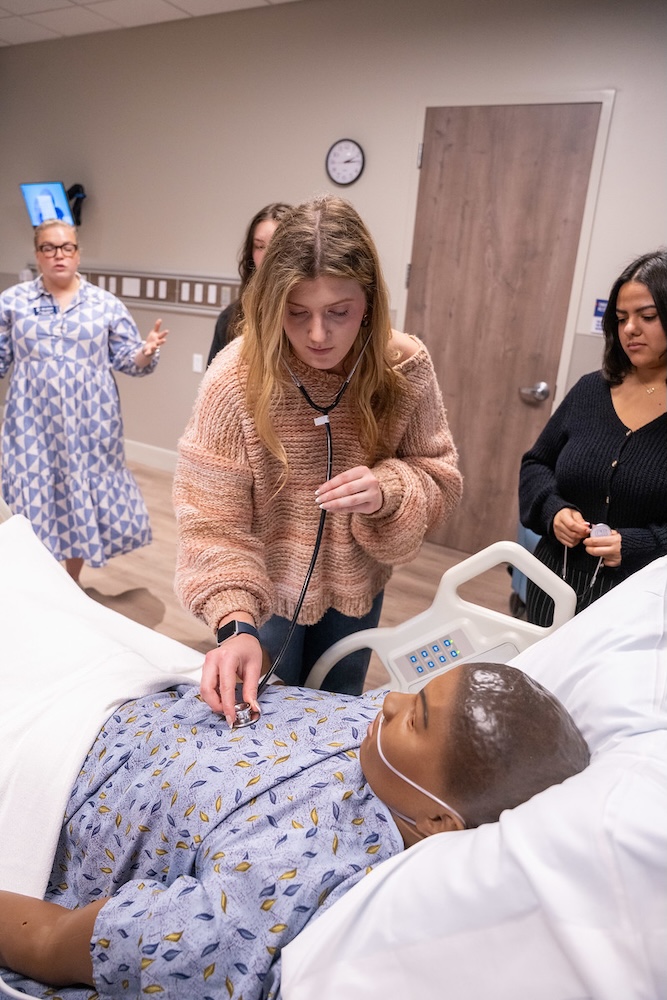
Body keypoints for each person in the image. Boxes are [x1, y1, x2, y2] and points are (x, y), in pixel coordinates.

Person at [0, 662, 590, 997]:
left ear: (439, 820)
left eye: (415, 716)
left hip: (48, 763)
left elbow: (54, 945)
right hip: (120, 681)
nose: (388, 701)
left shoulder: (285, 891)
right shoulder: (381, 741)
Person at [174, 196, 463, 722]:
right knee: (260, 731)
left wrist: (389, 490)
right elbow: (210, 522)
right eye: (297, 313)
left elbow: (439, 477)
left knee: (334, 721)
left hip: (356, 593)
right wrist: (235, 621)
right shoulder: (234, 380)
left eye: (339, 313)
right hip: (261, 594)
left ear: (370, 304)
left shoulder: (404, 370)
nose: (317, 335)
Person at [0, 220, 168, 583]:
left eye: (66, 248)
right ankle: (35, 583)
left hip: (90, 422)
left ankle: (70, 582)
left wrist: (144, 352)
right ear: (37, 254)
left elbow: (129, 360)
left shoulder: (104, 304)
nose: (58, 255)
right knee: (31, 498)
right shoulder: (12, 302)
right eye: (49, 247)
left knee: (77, 496)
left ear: (78, 253)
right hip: (30, 421)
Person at [519, 248, 667, 625]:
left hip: (638, 605)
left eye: (647, 316)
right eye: (621, 318)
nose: (630, 329)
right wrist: (554, 512)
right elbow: (537, 464)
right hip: (553, 584)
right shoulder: (591, 391)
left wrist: (639, 545)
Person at [207, 202, 292, 366]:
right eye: (260, 246)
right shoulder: (229, 319)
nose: (267, 256)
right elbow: (212, 386)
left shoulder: (305, 316)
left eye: (276, 246)